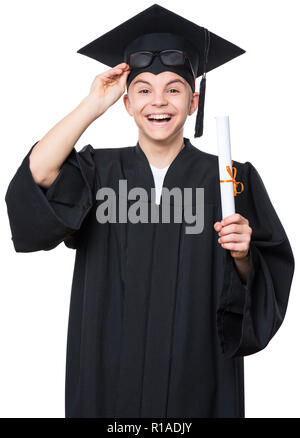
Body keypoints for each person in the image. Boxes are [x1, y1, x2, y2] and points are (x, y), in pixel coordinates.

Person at [5, 4, 294, 418]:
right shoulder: (96, 171)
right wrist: (92, 104)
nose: (158, 102)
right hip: (109, 375)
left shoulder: (233, 178)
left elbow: (262, 287)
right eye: (143, 90)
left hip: (198, 380)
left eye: (174, 89)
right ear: (127, 104)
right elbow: (37, 175)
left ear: (194, 102)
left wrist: (245, 255)